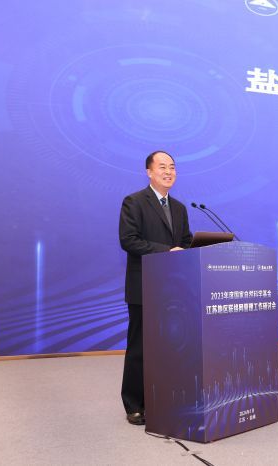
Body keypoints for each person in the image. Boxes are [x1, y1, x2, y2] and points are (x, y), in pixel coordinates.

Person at [118, 151, 193, 425]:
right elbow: (129, 240)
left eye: (172, 167)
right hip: (144, 286)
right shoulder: (134, 202)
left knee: (171, 345)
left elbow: (186, 241)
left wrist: (191, 250)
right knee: (140, 347)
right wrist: (166, 251)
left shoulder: (180, 208)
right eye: (162, 167)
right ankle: (135, 404)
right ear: (149, 172)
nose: (168, 172)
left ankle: (164, 398)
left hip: (173, 290)